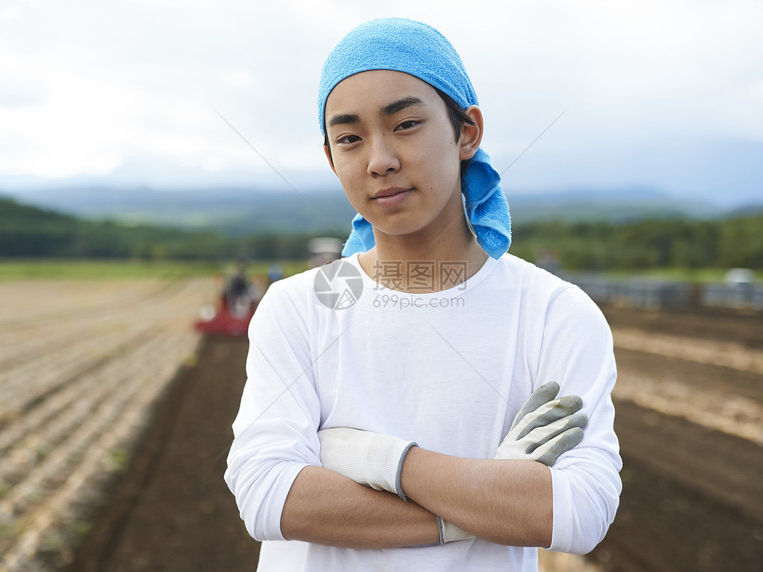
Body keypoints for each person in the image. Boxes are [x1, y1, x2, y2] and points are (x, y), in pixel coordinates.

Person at [225, 17, 621, 570]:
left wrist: (379, 459)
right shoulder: (301, 305)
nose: (379, 159)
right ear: (330, 157)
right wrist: (485, 502)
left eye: (406, 124)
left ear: (467, 132)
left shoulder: (554, 312)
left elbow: (579, 512)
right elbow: (267, 495)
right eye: (349, 138)